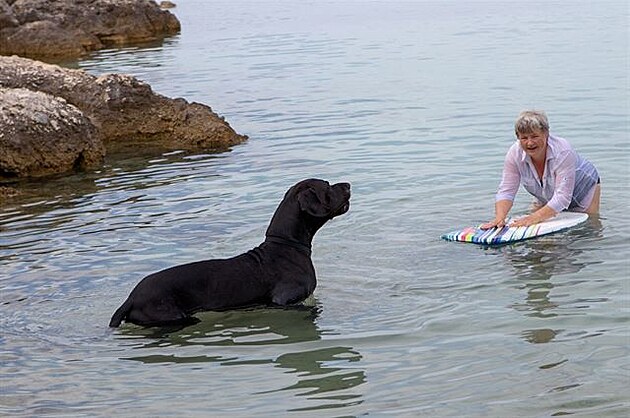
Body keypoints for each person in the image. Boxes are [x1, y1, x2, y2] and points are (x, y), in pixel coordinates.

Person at [481, 110, 600, 230]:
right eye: (524, 138)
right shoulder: (514, 154)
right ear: (518, 137)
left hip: (583, 189)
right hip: (546, 194)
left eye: (534, 136)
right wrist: (499, 218)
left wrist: (532, 218)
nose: (529, 143)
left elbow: (562, 197)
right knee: (540, 237)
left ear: (546, 134)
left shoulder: (563, 151)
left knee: (588, 228)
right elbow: (507, 190)